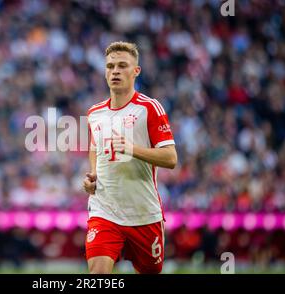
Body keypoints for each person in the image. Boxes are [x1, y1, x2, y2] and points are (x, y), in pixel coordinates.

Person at [83, 41, 177, 274]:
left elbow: (170, 158)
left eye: (122, 65)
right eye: (110, 66)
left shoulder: (149, 108)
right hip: (104, 211)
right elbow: (95, 146)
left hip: (144, 214)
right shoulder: (95, 113)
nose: (115, 71)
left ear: (136, 71)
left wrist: (133, 149)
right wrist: (93, 173)